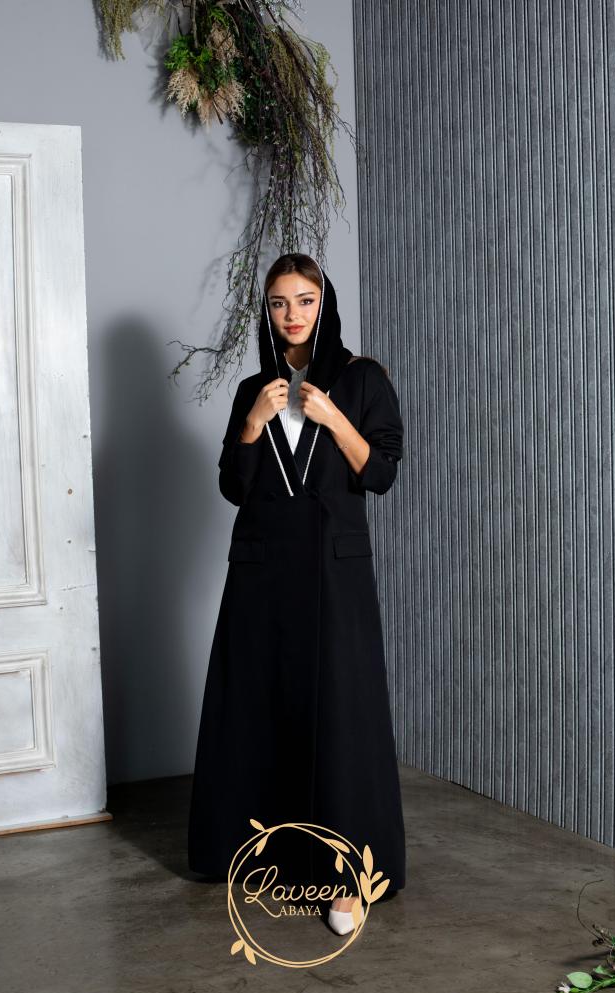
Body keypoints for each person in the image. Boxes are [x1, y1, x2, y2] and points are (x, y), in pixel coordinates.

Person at [188, 253, 406, 936]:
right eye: (279, 302)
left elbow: (382, 473)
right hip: (261, 570)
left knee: (342, 715)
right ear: (267, 310)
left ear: (323, 303)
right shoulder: (253, 387)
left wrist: (334, 418)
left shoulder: (362, 378)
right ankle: (267, 854)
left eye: (304, 300)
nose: (292, 315)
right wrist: (253, 423)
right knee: (258, 705)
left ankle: (349, 879)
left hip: (334, 573)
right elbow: (234, 486)